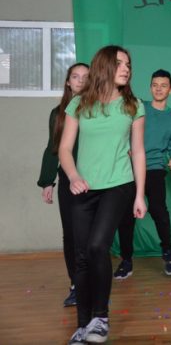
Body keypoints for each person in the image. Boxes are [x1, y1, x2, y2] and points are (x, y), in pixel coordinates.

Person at [59, 45, 147, 345]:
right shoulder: (79, 104)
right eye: (120, 63)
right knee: (81, 256)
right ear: (104, 66)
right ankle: (83, 325)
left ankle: (101, 318)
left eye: (128, 64)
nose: (126, 68)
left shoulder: (133, 105)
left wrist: (140, 195)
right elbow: (65, 149)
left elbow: (138, 151)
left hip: (118, 185)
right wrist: (73, 176)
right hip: (83, 188)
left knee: (98, 246)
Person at [114, 69, 171, 279]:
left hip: (154, 167)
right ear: (150, 87)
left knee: (159, 210)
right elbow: (121, 129)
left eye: (163, 85)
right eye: (155, 85)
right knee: (126, 215)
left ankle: (168, 252)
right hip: (128, 168)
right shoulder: (138, 107)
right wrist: (125, 148)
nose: (159, 89)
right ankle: (126, 260)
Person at [37, 62, 89, 307]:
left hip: (96, 180)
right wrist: (47, 181)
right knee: (71, 234)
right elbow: (53, 148)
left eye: (86, 77)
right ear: (68, 82)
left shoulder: (100, 111)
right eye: (75, 77)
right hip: (69, 181)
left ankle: (94, 285)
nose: (80, 81)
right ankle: (76, 284)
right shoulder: (57, 113)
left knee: (93, 237)